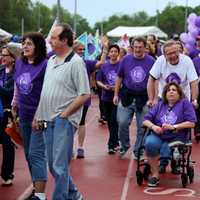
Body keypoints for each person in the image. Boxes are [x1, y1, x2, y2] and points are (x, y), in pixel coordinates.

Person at [34, 23, 90, 200]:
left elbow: (84, 94)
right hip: (47, 119)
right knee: (53, 166)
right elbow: (46, 91)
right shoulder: (50, 61)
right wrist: (38, 115)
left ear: (64, 40)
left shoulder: (76, 62)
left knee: (59, 166)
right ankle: (75, 195)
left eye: (53, 37)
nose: (49, 40)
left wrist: (65, 114)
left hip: (63, 121)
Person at [12, 32, 47, 200]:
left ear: (38, 47)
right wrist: (14, 107)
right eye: (24, 43)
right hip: (24, 115)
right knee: (28, 155)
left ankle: (40, 195)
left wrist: (40, 115)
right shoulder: (20, 63)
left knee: (35, 154)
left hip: (41, 118)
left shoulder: (46, 65)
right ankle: (36, 188)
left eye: (29, 44)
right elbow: (18, 87)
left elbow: (48, 93)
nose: (25, 46)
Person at [143, 82, 196, 187]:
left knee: (172, 146)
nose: (171, 92)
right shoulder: (160, 104)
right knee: (149, 143)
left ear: (179, 93)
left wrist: (174, 127)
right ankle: (155, 175)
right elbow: (146, 120)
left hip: (177, 136)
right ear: (165, 94)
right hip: (159, 135)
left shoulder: (185, 104)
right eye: (168, 90)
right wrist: (154, 127)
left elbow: (192, 122)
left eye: (174, 90)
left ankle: (170, 161)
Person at [113, 37, 155, 159]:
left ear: (144, 48)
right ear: (132, 47)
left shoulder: (151, 61)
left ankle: (139, 150)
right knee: (122, 122)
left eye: (140, 47)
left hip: (144, 97)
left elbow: (154, 81)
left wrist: (152, 98)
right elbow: (119, 77)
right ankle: (125, 145)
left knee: (143, 126)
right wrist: (116, 94)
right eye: (135, 47)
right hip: (127, 95)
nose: (137, 49)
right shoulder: (125, 59)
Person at [73, 39, 108, 158]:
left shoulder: (86, 63)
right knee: (70, 123)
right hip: (69, 99)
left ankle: (80, 147)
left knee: (81, 122)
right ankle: (69, 146)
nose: (82, 51)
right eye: (79, 49)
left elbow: (101, 63)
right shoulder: (66, 63)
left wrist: (105, 50)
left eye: (83, 49)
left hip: (83, 98)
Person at [147, 40, 198, 107]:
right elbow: (151, 79)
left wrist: (194, 100)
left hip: (182, 98)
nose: (173, 55)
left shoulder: (187, 60)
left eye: (175, 52)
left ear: (178, 52)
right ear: (164, 55)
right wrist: (151, 99)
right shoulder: (160, 60)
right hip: (164, 98)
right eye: (169, 54)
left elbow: (194, 82)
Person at [96, 44, 120, 154]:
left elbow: (124, 80)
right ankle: (115, 142)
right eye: (111, 51)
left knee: (115, 120)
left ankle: (111, 145)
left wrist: (117, 87)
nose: (113, 53)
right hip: (106, 97)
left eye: (116, 51)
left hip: (117, 98)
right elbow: (98, 80)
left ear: (118, 53)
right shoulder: (104, 66)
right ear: (109, 54)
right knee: (110, 122)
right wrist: (104, 86)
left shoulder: (121, 65)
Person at [0, 46, 16, 185]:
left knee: (7, 145)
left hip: (8, 114)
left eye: (5, 54)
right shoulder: (0, 71)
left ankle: (6, 174)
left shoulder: (17, 74)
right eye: (1, 54)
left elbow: (10, 93)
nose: (2, 57)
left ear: (13, 57)